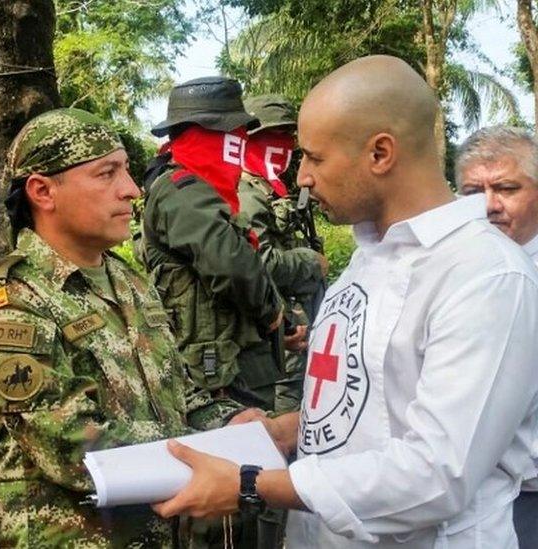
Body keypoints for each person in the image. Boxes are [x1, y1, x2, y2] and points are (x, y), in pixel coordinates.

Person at [152, 55, 538, 548]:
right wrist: (285, 432)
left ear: (380, 153)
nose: (303, 178)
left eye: (315, 157)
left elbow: (438, 473)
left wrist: (251, 486)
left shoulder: (485, 275)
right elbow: (369, 409)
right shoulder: (369, 258)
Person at [0, 107, 238, 547]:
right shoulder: (11, 305)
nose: (131, 190)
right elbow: (76, 446)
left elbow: (183, 397)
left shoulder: (129, 282)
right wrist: (220, 451)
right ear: (43, 191)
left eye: (127, 171)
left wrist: (240, 424)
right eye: (107, 174)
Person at [140, 77, 302, 549]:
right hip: (215, 369)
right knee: (228, 503)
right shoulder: (181, 189)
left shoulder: (204, 190)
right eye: (232, 134)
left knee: (251, 488)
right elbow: (231, 266)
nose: (239, 145)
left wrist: (282, 326)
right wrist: (275, 314)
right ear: (205, 132)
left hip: (236, 357)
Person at [456, 126, 538, 546]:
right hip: (473, 500)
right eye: (471, 192)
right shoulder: (452, 274)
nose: (488, 206)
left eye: (506, 188)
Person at [238, 94, 327, 413]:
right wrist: (311, 262)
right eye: (272, 137)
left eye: (287, 137)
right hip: (281, 332)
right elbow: (258, 262)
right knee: (288, 412)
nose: (283, 145)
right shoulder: (245, 193)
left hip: (297, 322)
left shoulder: (270, 188)